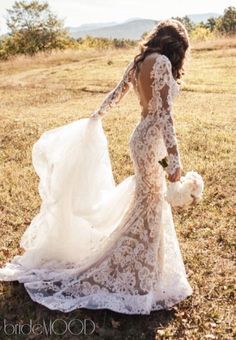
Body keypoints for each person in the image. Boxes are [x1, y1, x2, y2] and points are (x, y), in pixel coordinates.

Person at [0, 19, 193, 314]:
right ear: (176, 45)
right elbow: (165, 115)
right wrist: (175, 159)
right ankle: (134, 272)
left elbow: (116, 94)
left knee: (150, 202)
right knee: (150, 204)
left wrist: (95, 117)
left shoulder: (140, 61)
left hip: (142, 141)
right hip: (152, 139)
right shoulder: (163, 62)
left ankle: (146, 270)